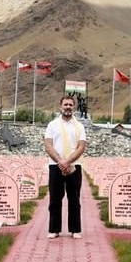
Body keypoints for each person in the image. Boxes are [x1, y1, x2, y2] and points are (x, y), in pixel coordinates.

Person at [44, 95, 88, 239]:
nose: (68, 107)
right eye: (65, 104)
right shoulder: (52, 125)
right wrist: (60, 161)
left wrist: (68, 161)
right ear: (60, 106)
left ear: (74, 107)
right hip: (55, 165)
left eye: (70, 104)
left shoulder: (80, 126)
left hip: (74, 166)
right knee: (55, 199)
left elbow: (81, 147)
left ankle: (75, 229)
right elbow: (48, 145)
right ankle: (54, 229)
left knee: (74, 199)